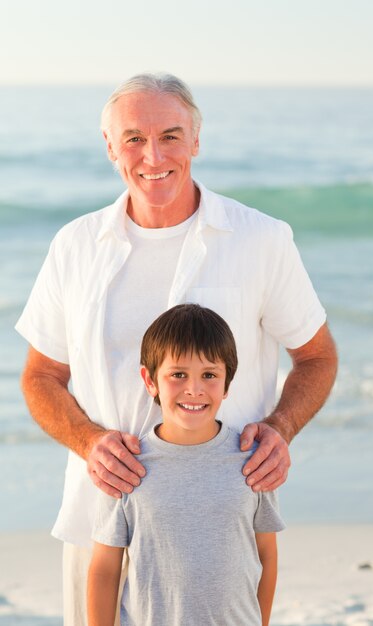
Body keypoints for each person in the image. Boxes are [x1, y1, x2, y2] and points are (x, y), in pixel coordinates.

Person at [16, 73, 337, 625]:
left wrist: (281, 429)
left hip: (218, 529)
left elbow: (317, 356)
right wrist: (90, 442)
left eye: (170, 135)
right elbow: (40, 376)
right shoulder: (74, 245)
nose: (153, 155)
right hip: (100, 525)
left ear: (196, 141)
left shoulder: (260, 239)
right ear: (110, 146)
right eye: (134, 138)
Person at [87, 303, 285, 626]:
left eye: (209, 375)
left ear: (227, 383)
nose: (194, 389)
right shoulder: (126, 467)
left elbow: (267, 556)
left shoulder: (253, 462)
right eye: (178, 374)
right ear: (150, 381)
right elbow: (104, 569)